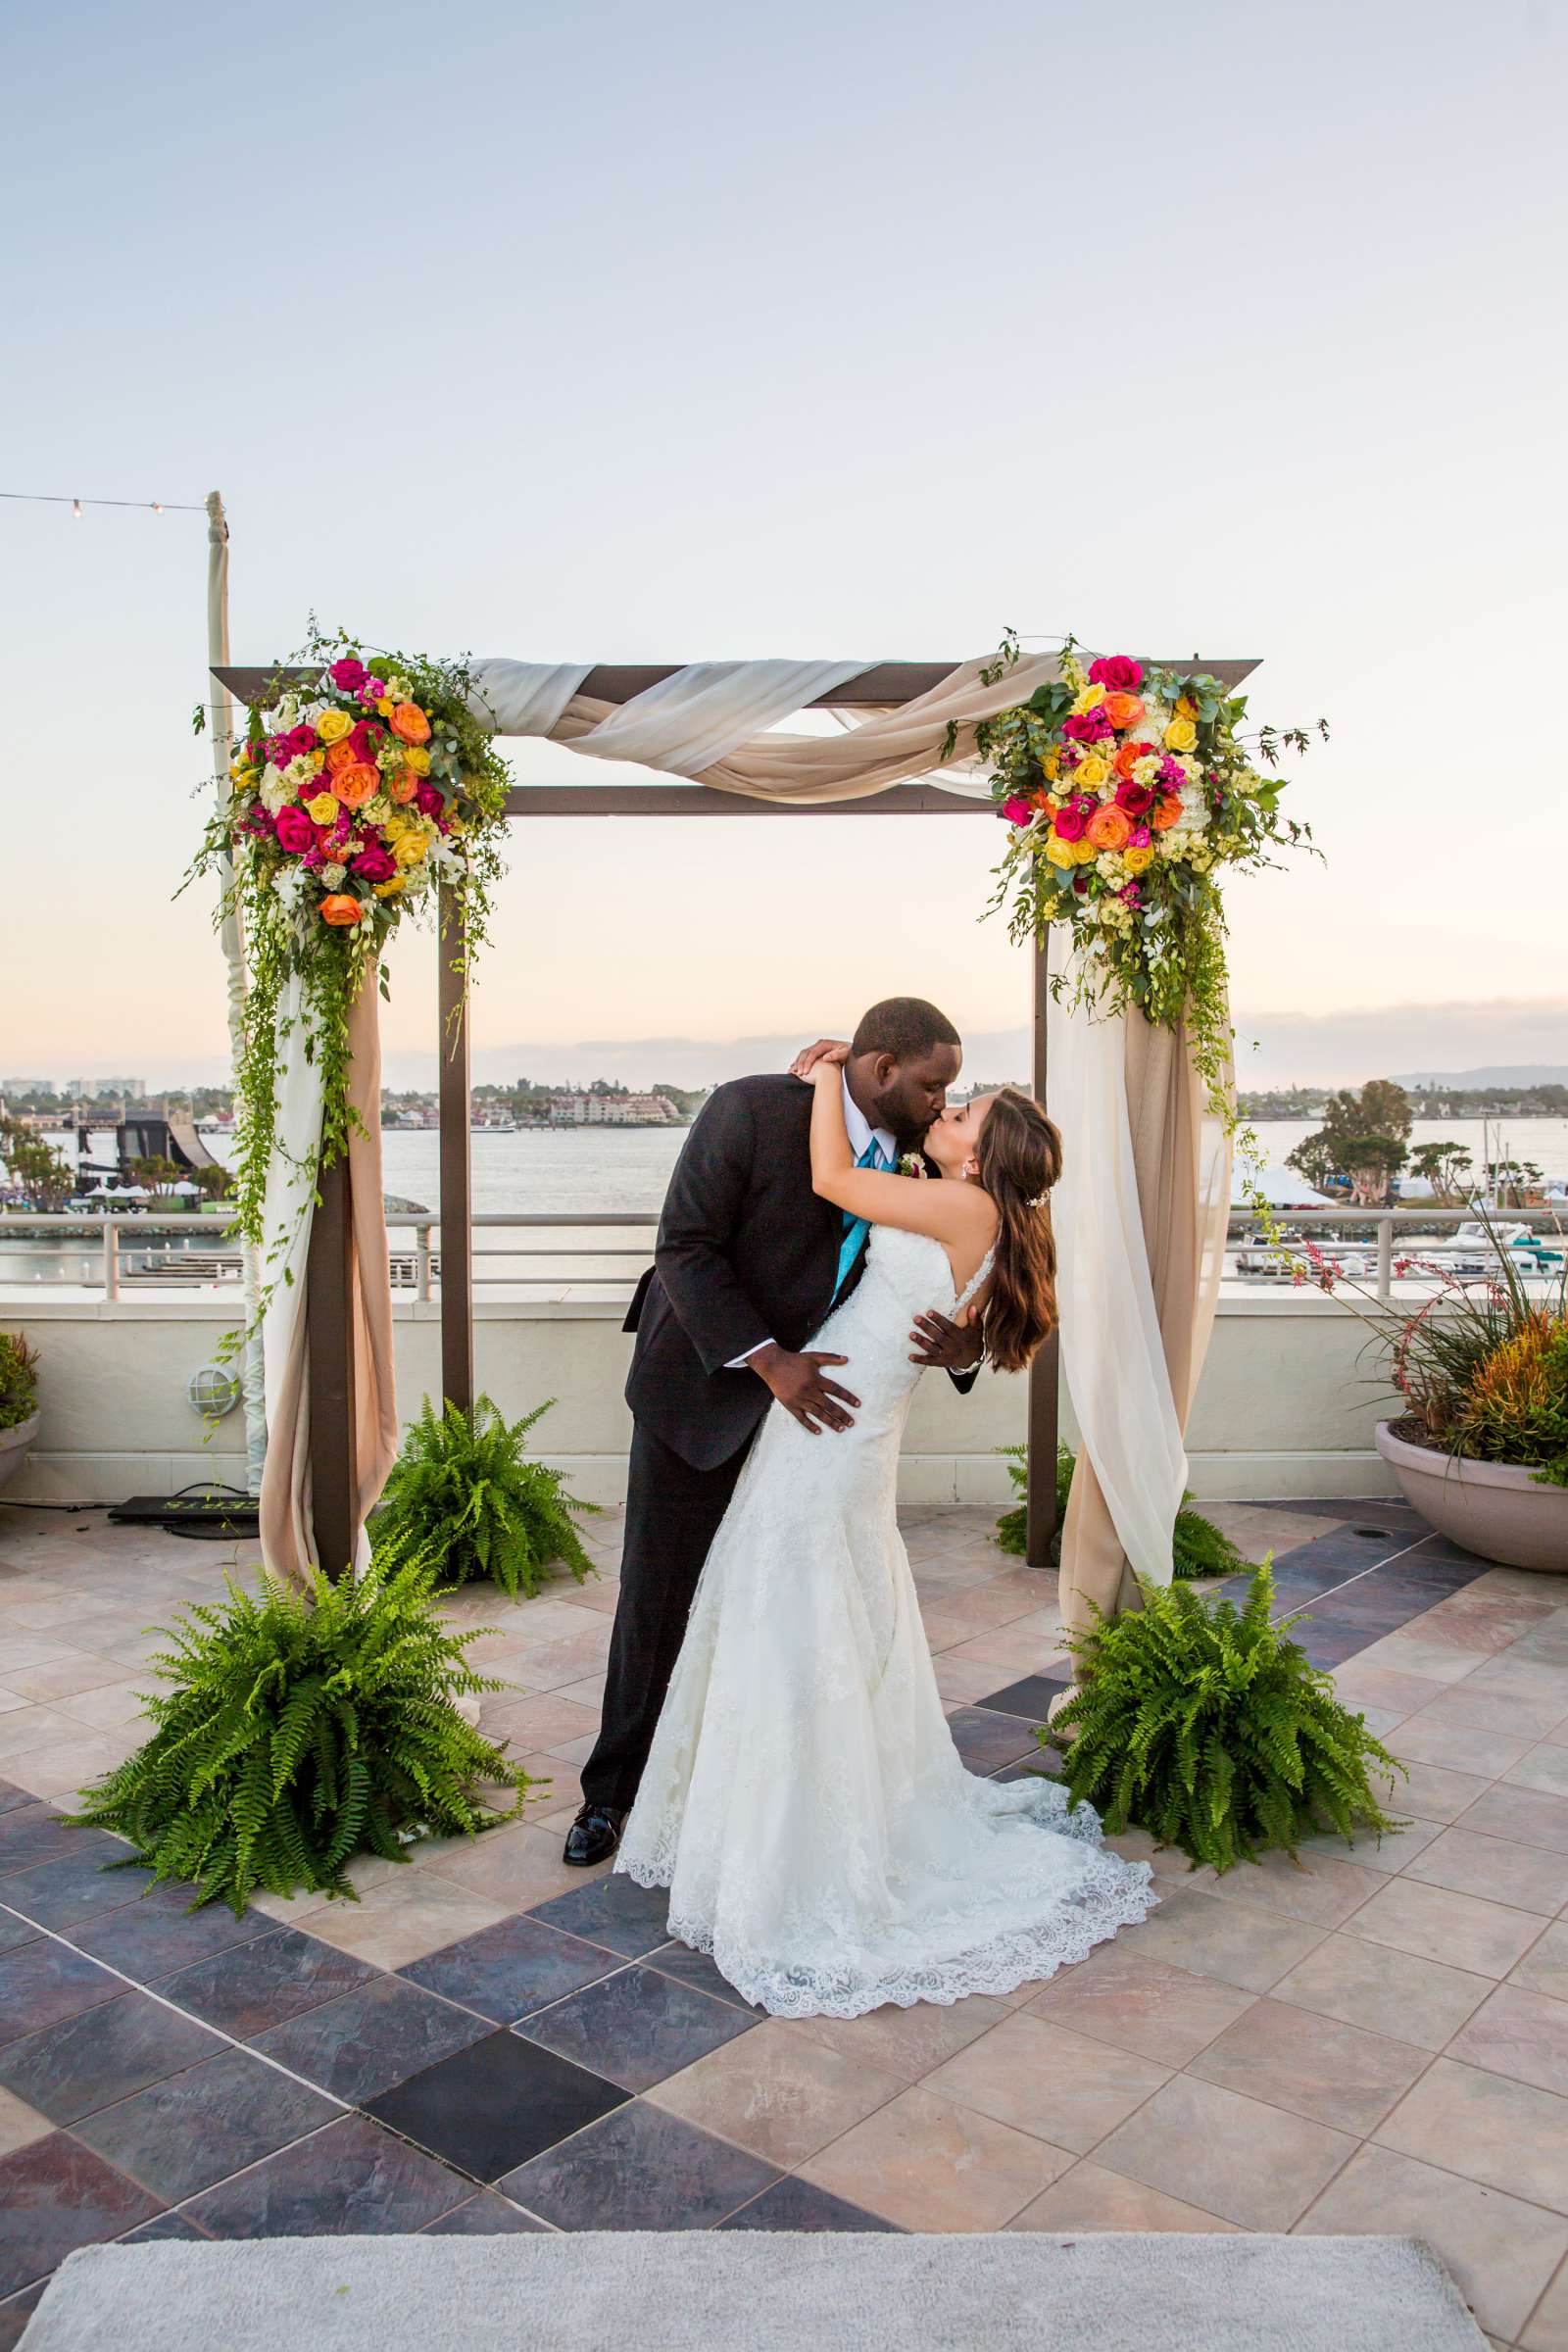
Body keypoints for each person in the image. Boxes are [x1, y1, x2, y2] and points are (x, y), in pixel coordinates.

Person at [612, 1038, 1156, 2018]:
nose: (940, 1117)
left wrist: (823, 1074)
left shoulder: (958, 1204)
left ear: (983, 1159)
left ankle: (797, 1844)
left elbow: (829, 1177)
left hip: (828, 1426)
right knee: (805, 1594)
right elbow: (946, 1313)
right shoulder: (982, 1213)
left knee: (787, 1594)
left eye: (961, 1116)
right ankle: (776, 1811)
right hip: (844, 1424)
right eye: (944, 1102)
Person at [564, 999, 984, 1869]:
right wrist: (767, 1361)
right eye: (935, 1082)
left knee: (761, 1607)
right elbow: (684, 1248)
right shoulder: (752, 1108)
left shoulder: (918, 1155)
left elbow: (957, 1276)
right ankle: (612, 1797)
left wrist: (964, 1347)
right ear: (880, 1070)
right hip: (703, 1393)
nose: (946, 1099)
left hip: (816, 1431)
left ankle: (731, 1797)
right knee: (659, 1595)